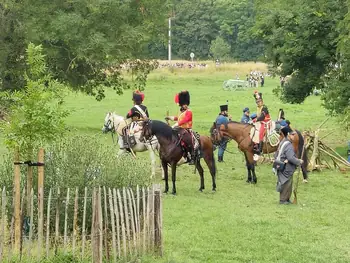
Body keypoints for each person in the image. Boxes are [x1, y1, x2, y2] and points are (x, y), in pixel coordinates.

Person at [273, 126, 304, 204]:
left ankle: (286, 199)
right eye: (292, 134)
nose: (294, 136)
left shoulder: (283, 142)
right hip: (285, 167)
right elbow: (290, 158)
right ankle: (283, 200)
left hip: (281, 166)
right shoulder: (288, 145)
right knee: (286, 183)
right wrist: (299, 161)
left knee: (288, 183)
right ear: (288, 135)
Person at [165, 91, 197, 165]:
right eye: (183, 104)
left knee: (188, 139)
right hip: (179, 128)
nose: (185, 106)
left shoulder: (189, 112)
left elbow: (183, 121)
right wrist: (169, 117)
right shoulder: (181, 112)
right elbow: (177, 118)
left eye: (185, 104)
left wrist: (173, 126)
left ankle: (192, 156)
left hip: (187, 129)